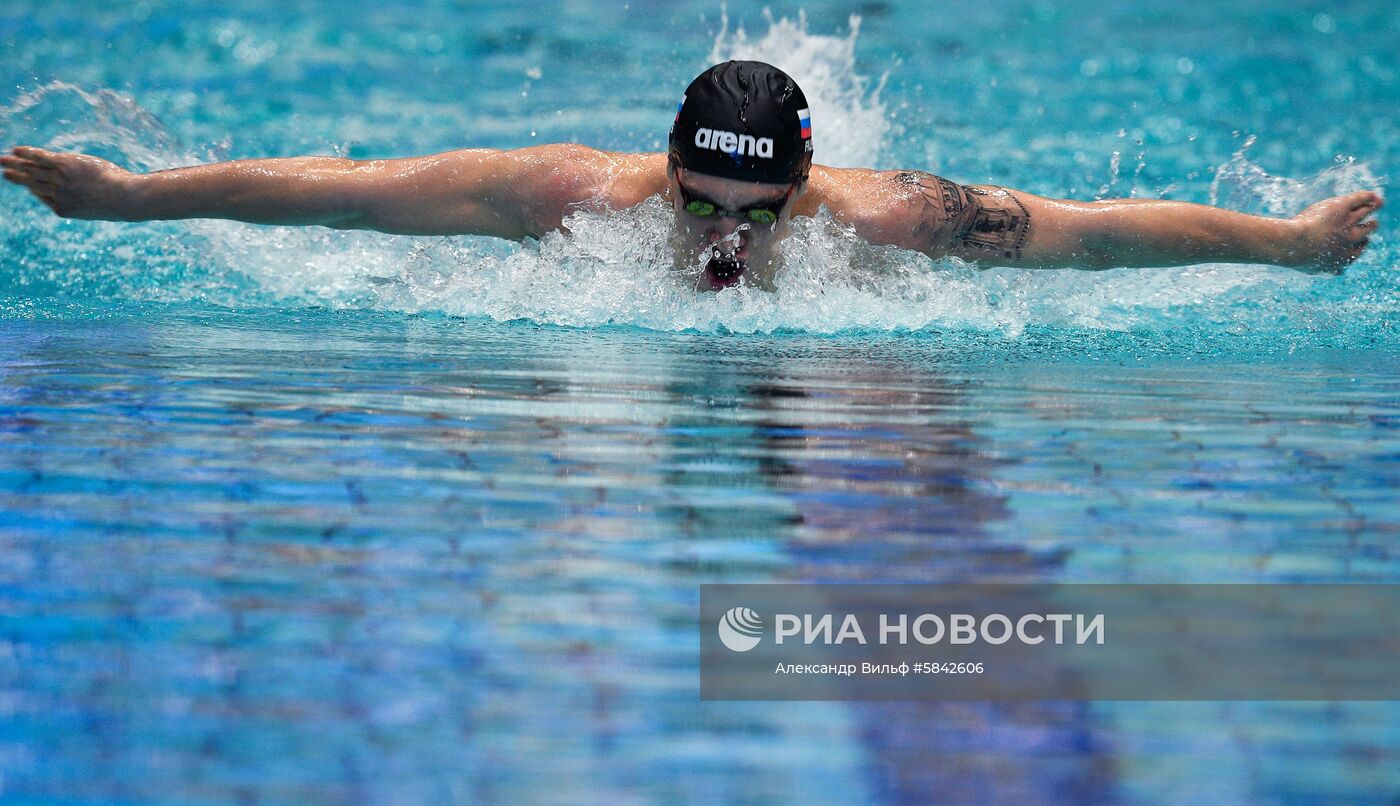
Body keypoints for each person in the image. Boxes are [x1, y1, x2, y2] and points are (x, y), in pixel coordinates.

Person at [2, 61, 1383, 291]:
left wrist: (1292, 240)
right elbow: (341, 185)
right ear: (661, 170)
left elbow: (1092, 232)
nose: (725, 241)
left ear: (804, 185)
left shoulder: (890, 217)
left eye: (756, 212)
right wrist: (129, 198)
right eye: (697, 205)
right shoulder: (564, 195)